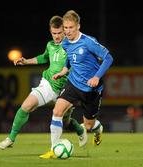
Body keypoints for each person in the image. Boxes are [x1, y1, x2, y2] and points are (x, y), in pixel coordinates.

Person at [0, 15, 87, 152]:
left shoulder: (72, 45)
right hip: (49, 84)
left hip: (67, 88)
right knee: (26, 106)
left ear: (65, 31)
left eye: (59, 33)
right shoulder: (50, 45)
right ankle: (11, 138)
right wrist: (26, 61)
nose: (56, 36)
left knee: (66, 123)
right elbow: (44, 57)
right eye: (53, 33)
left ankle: (80, 130)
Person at [40, 10, 113, 158]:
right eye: (65, 28)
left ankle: (97, 128)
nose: (67, 31)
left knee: (88, 125)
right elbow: (69, 58)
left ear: (78, 26)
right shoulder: (65, 42)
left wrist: (97, 77)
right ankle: (53, 149)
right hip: (73, 84)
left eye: (70, 28)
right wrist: (64, 70)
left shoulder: (88, 42)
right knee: (57, 111)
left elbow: (108, 57)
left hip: (91, 89)